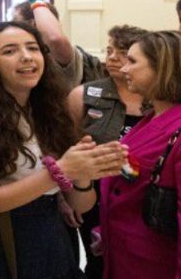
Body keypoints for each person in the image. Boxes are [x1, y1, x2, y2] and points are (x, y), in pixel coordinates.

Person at [0, 21, 127, 278]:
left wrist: (83, 173)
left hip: (49, 236)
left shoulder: (49, 110)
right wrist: (60, 170)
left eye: (33, 48)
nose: (26, 57)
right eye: (10, 51)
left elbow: (81, 205)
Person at [98, 31, 181, 278]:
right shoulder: (153, 117)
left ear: (163, 68)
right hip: (128, 257)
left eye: (132, 61)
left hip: (157, 265)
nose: (123, 70)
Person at [61, 24, 147, 279]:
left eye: (122, 53)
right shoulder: (83, 95)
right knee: (98, 261)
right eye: (109, 50)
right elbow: (65, 148)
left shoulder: (159, 96)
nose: (111, 58)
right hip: (94, 195)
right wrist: (66, 197)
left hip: (143, 195)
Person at [12, 0, 105, 87]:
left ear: (34, 24)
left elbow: (55, 38)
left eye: (15, 21)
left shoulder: (59, 55)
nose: (10, 26)